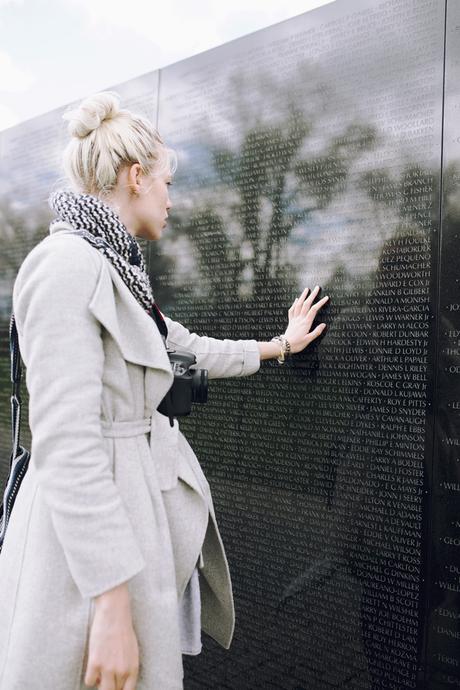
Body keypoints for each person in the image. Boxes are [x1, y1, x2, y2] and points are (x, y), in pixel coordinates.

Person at [0, 91, 329, 690]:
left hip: (128, 532)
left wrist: (281, 344)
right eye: (167, 183)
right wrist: (110, 601)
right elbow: (67, 441)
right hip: (86, 563)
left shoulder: (116, 268)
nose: (172, 200)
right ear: (135, 177)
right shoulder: (64, 266)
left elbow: (190, 346)